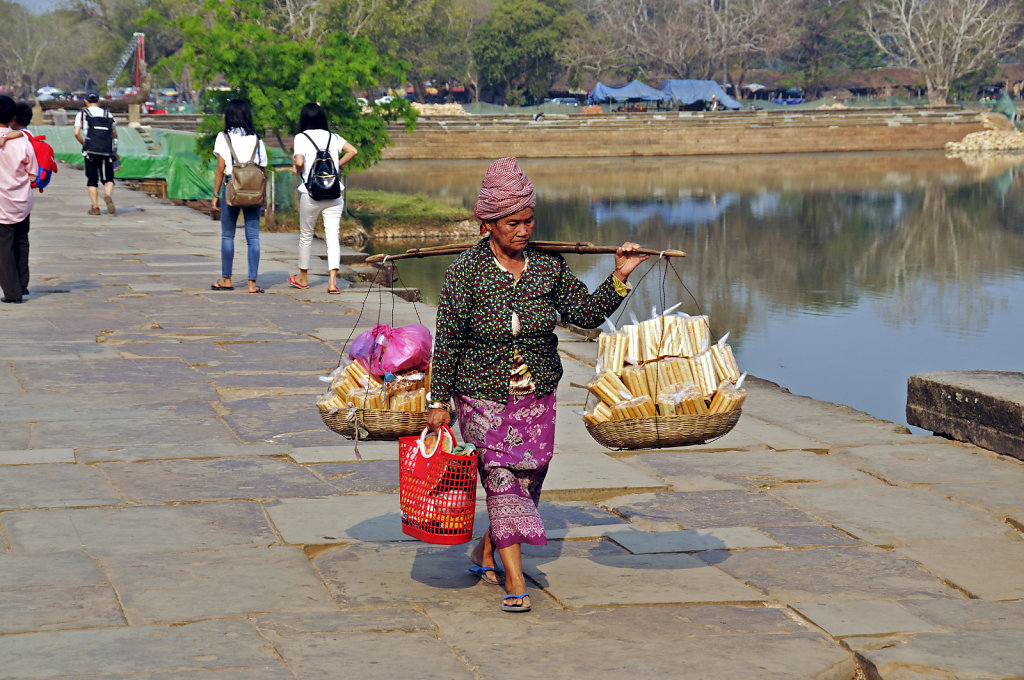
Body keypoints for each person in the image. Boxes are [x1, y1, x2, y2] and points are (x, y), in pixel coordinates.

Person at [426, 157, 649, 613]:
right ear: (487, 223)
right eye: (512, 223)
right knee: (501, 481)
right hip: (481, 396)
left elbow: (585, 315)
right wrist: (438, 402)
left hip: (536, 398)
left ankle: (485, 552)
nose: (523, 230)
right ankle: (514, 580)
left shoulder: (549, 268)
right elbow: (446, 341)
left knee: (527, 481)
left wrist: (620, 275)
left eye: (529, 220)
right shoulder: (465, 274)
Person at [287, 102, 358, 294]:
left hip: (311, 194)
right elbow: (353, 150)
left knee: (306, 236)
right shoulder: (333, 137)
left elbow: (300, 162)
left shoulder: (301, 137)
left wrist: (297, 167)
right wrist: (337, 166)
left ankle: (303, 278)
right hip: (334, 193)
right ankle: (333, 283)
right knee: (333, 237)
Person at [210, 99, 268, 293]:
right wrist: (263, 197)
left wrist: (215, 194)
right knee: (253, 237)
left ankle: (227, 279)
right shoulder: (257, 139)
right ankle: (252, 283)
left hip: (231, 189)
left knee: (228, 235)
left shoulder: (223, 137)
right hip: (253, 191)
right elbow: (262, 172)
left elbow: (220, 169)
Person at [0, 95, 38, 304]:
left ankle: (12, 293)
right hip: (22, 200)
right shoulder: (22, 140)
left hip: (1, 203)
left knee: (3, 247)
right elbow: (33, 171)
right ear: (12, 117)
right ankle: (22, 285)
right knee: (21, 242)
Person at [73, 91, 118, 216]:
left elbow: (76, 133)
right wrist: (114, 148)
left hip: (91, 151)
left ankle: (95, 207)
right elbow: (114, 133)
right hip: (106, 151)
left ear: (86, 101)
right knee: (108, 178)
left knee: (92, 180)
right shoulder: (107, 114)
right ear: (99, 101)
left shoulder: (82, 114)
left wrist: (84, 143)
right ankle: (108, 195)